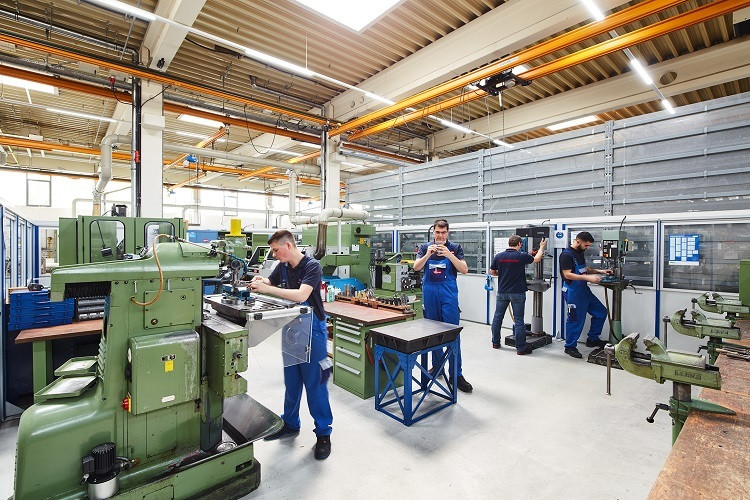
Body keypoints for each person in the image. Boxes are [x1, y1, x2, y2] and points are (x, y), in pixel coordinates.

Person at [250, 230, 333, 460]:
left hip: (313, 329)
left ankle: (323, 434)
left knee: (316, 383)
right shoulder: (283, 266)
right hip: (291, 327)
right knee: (292, 381)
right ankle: (290, 423)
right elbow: (270, 281)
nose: (274, 255)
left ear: (288, 245)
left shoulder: (312, 266)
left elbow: (301, 295)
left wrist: (268, 289)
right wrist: (261, 281)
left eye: (276, 250)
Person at [413, 219, 472, 393]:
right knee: (433, 333)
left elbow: (464, 269)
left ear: (448, 232)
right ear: (433, 232)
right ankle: (438, 367)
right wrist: (427, 255)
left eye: (443, 232)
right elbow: (416, 267)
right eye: (437, 232)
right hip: (430, 294)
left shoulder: (455, 248)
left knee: (453, 334)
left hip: (448, 294)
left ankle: (456, 375)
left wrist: (449, 255)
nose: (440, 235)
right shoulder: (425, 247)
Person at [489, 235, 547, 355]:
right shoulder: (521, 256)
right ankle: (520, 349)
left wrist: (503, 274)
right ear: (520, 244)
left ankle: (495, 343)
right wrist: (542, 247)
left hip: (502, 292)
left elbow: (492, 271)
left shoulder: (499, 256)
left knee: (497, 317)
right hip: (517, 293)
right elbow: (537, 259)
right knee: (519, 320)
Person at [559, 231, 612, 359]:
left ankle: (592, 339)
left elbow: (584, 269)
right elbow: (567, 274)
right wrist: (588, 278)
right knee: (575, 319)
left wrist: (600, 271)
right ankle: (570, 346)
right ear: (578, 241)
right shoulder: (566, 255)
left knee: (601, 312)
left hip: (584, 290)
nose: (587, 248)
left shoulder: (580, 252)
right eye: (586, 245)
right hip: (573, 291)